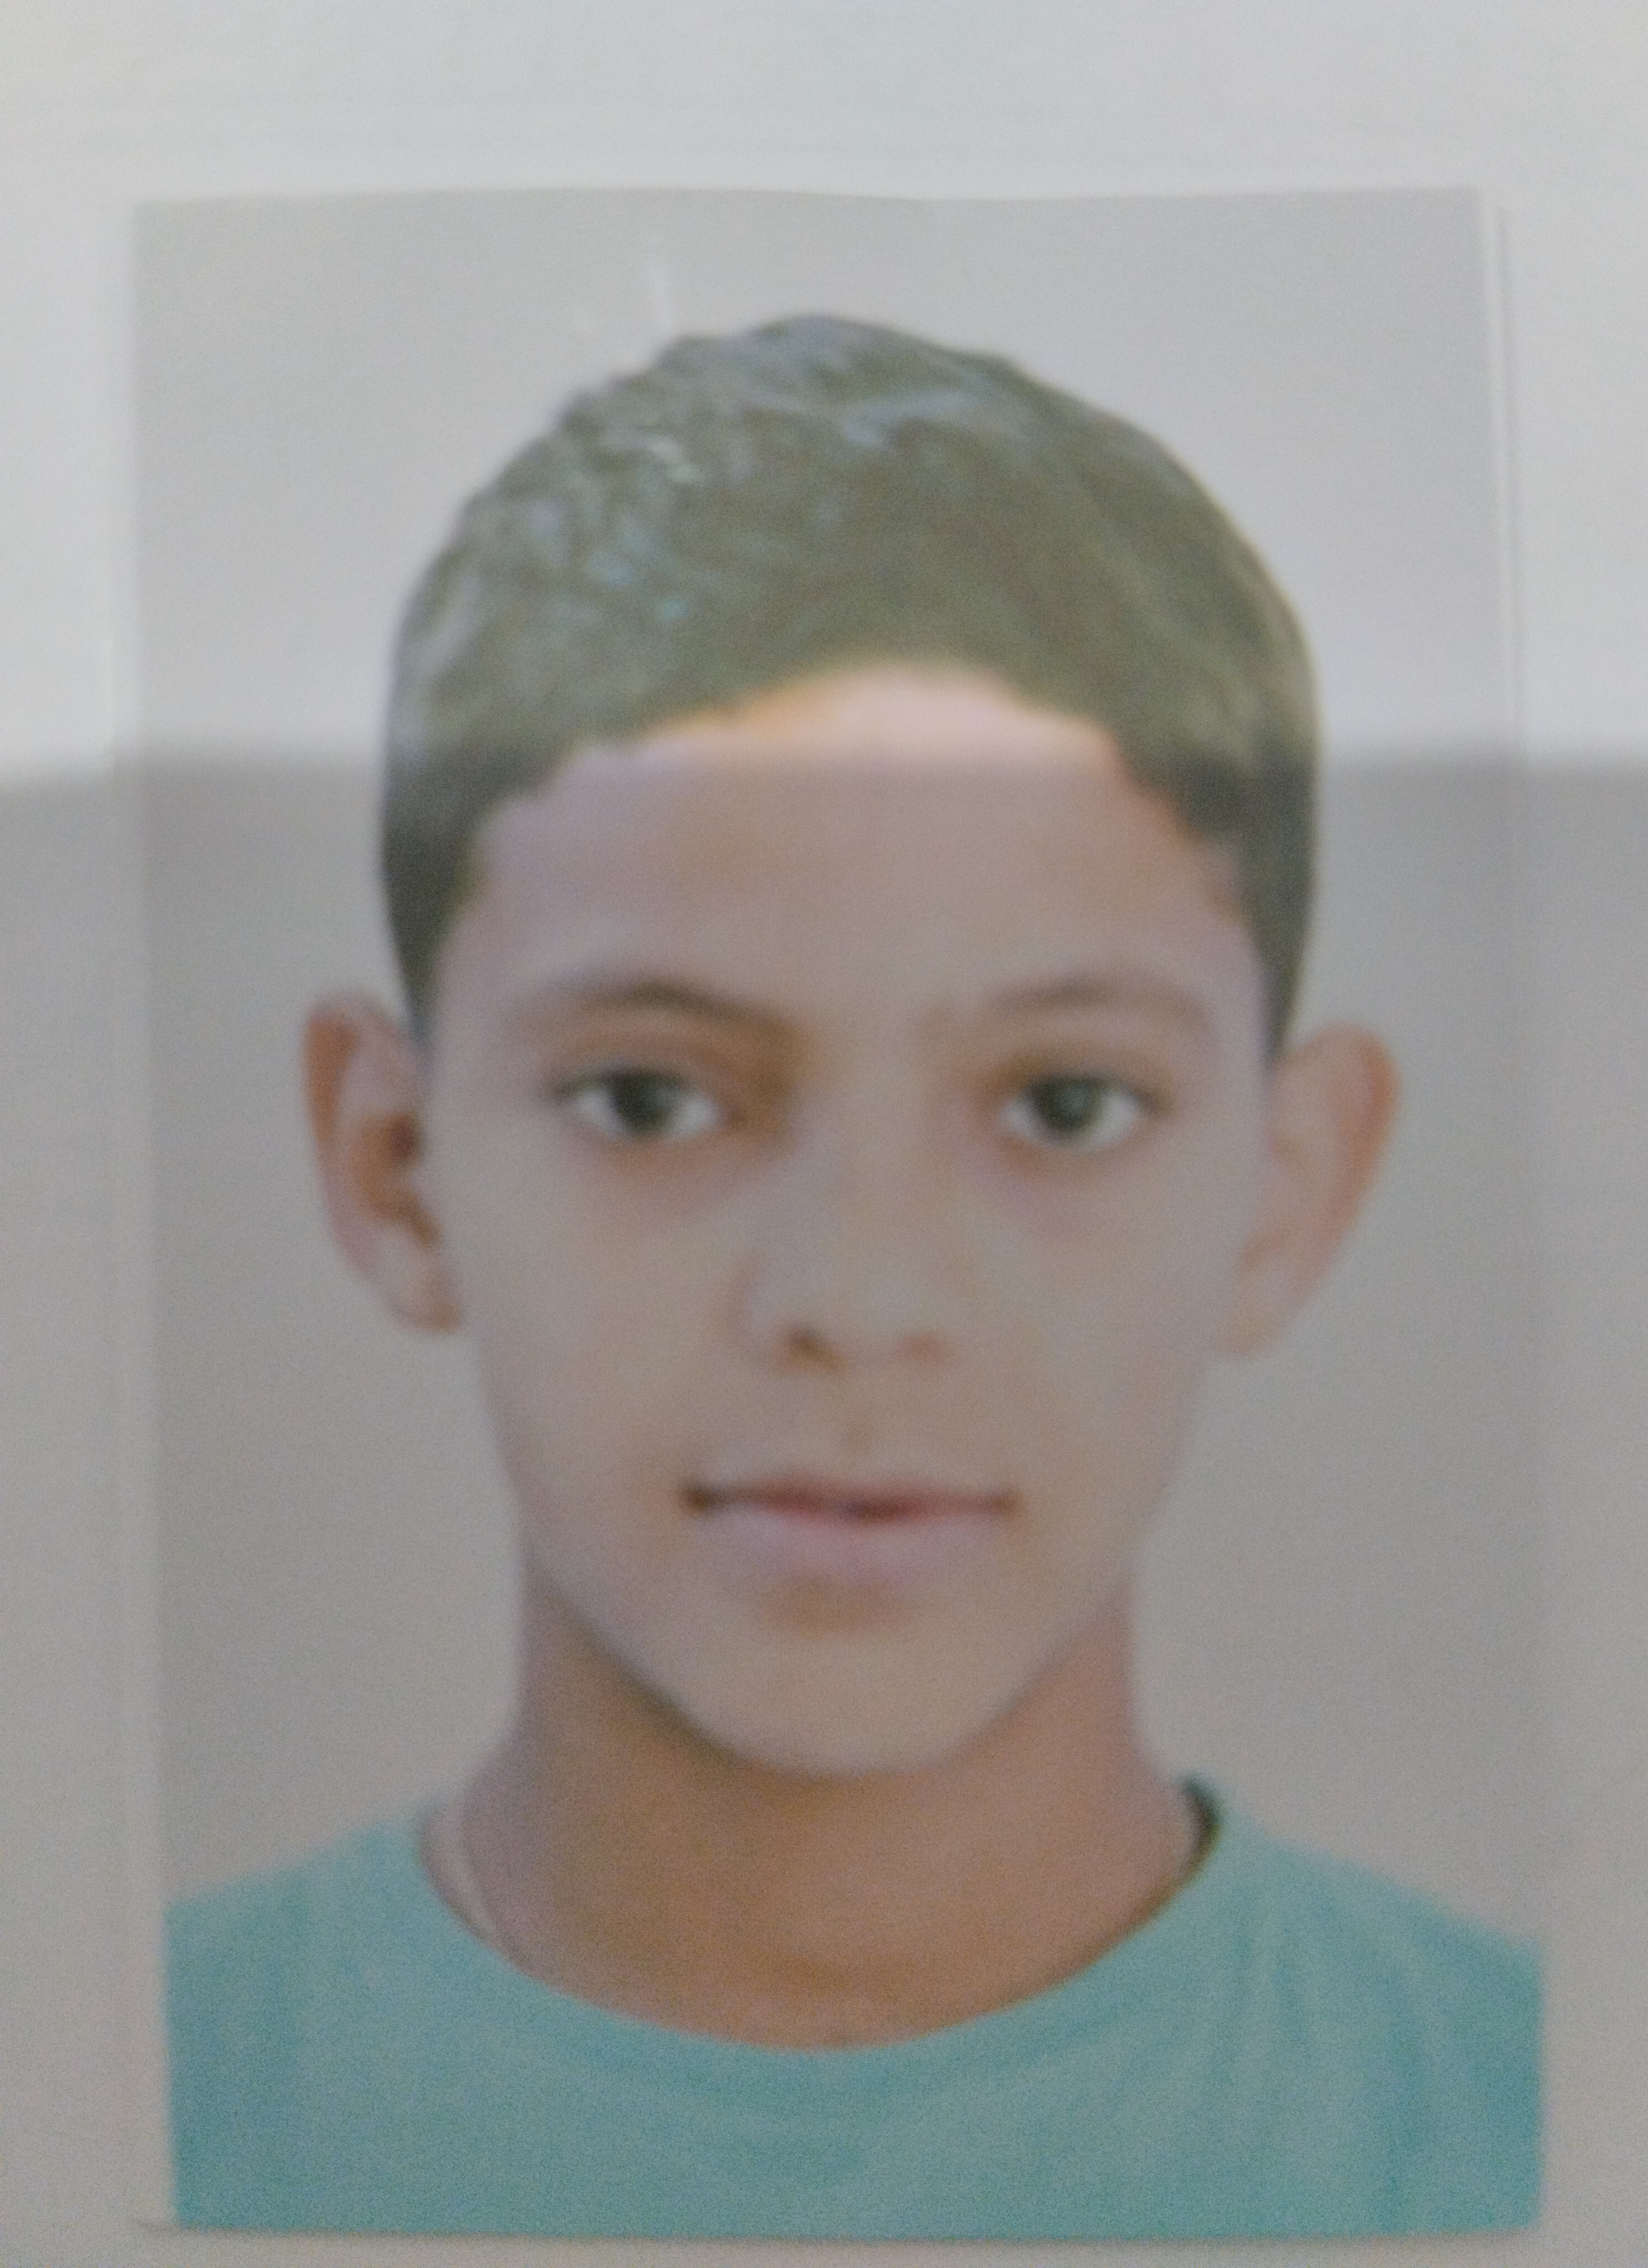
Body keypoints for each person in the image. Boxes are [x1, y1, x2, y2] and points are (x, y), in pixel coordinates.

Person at [166, 315, 1538, 2239]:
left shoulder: (1560, 2129)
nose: (857, 1299)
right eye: (651, 1099)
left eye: (1064, 1104)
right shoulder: (100, 2102)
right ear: (393, 1165)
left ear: (1284, 1192)